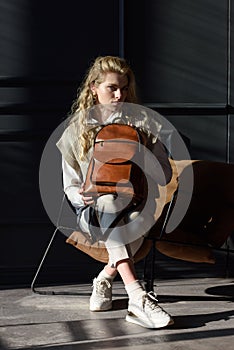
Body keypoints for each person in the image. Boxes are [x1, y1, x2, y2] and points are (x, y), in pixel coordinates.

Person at [56, 55, 174, 329]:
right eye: (112, 87)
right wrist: (80, 195)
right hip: (92, 212)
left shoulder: (143, 124)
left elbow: (165, 175)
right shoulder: (76, 130)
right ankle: (136, 296)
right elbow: (70, 185)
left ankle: (105, 278)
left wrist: (145, 157)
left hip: (136, 206)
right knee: (107, 203)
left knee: (130, 224)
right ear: (93, 89)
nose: (120, 94)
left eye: (124, 87)